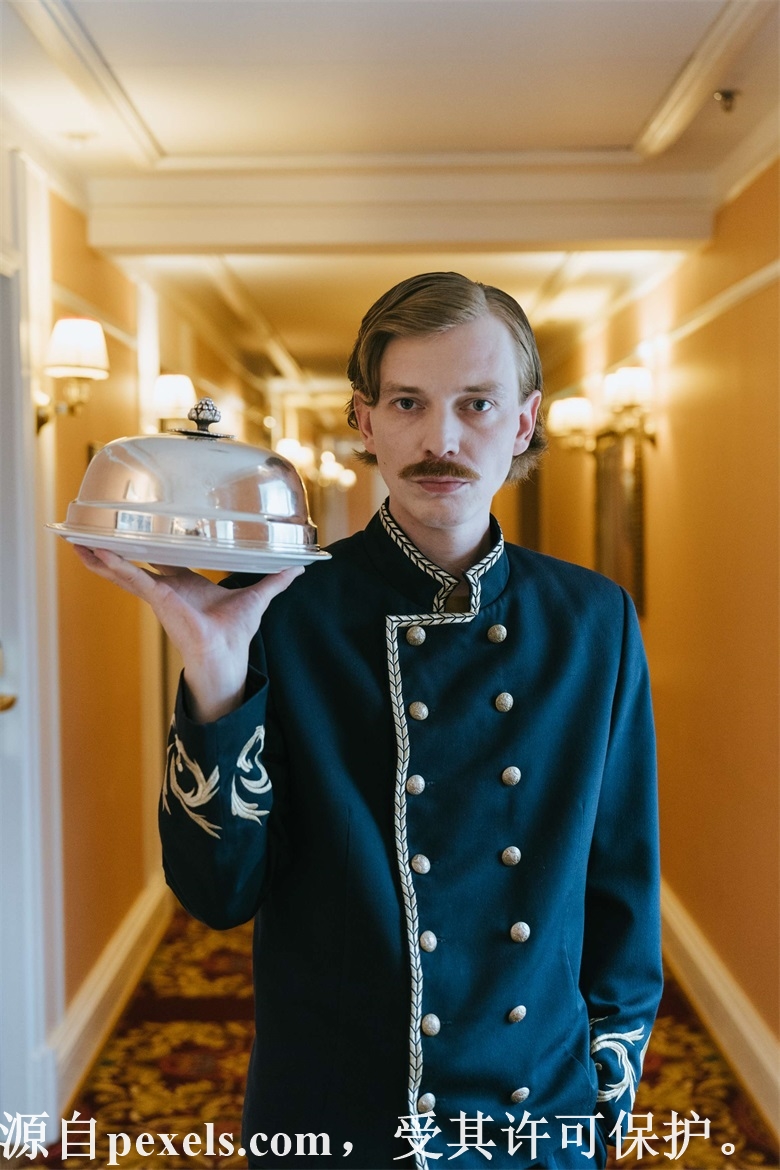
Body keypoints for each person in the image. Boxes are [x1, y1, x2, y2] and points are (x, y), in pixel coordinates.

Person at [77, 272, 662, 1169]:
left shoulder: (593, 621)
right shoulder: (282, 608)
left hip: (533, 1116)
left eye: (476, 404)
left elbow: (622, 885)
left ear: (523, 421)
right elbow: (216, 896)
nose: (441, 440)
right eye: (407, 402)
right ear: (365, 421)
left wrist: (600, 1106)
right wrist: (214, 674)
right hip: (334, 1115)